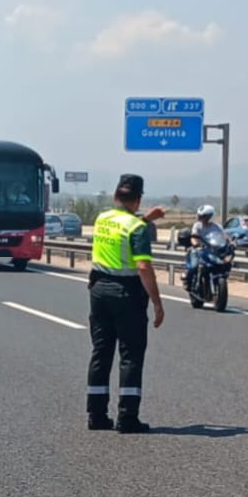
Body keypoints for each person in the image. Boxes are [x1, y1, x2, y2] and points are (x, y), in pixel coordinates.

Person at [85, 175, 165, 433]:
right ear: (138, 199)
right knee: (130, 356)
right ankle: (127, 417)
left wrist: (145, 218)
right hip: (126, 293)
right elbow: (143, 266)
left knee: (101, 352)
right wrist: (157, 301)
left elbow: (123, 226)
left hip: (98, 291)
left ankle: (96, 415)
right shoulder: (137, 228)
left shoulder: (102, 218)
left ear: (115, 197)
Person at [183, 204, 227, 290]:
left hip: (213, 250)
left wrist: (230, 242)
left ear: (210, 216)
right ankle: (188, 281)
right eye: (200, 216)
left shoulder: (217, 226)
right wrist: (196, 244)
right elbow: (193, 237)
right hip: (199, 249)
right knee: (194, 265)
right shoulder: (197, 226)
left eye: (204, 216)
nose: (201, 218)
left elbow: (224, 235)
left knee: (222, 263)